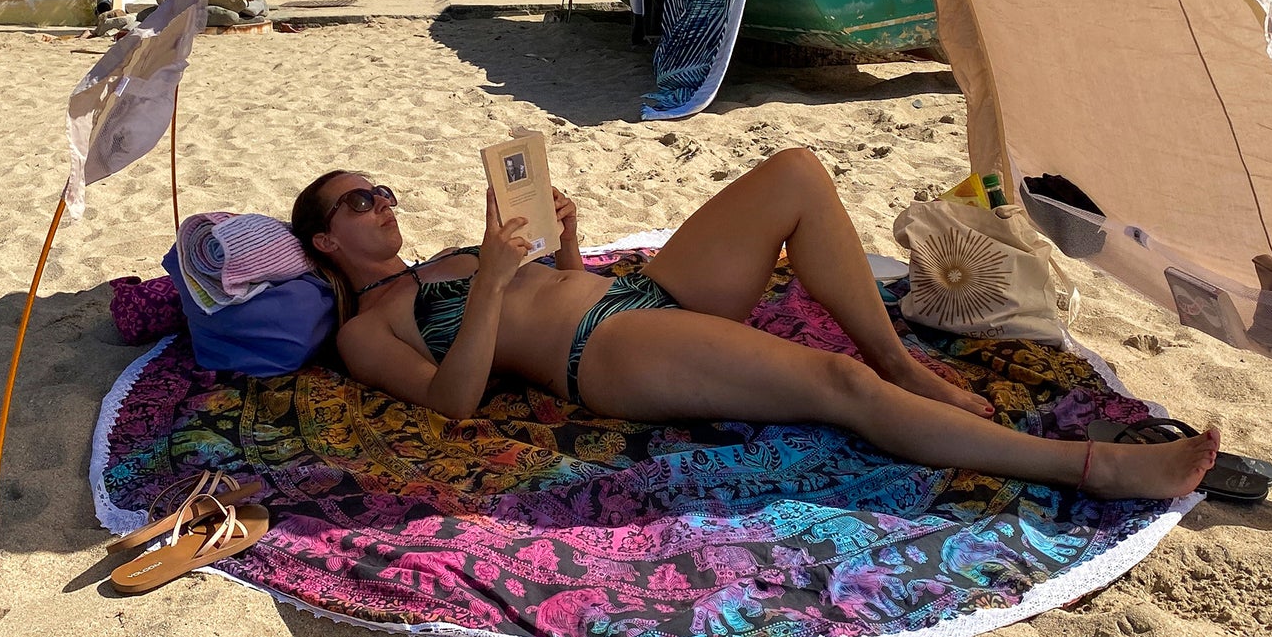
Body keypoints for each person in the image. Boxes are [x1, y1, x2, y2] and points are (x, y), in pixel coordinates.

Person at [291, 149, 1218, 500]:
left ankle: (900, 360)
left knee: (799, 174)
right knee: (832, 387)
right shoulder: (369, 327)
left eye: (383, 191)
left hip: (636, 293)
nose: (382, 205)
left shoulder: (444, 259)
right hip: (605, 354)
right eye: (359, 202)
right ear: (327, 241)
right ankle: (1095, 469)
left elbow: (548, 291)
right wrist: (493, 283)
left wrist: (564, 249)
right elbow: (456, 402)